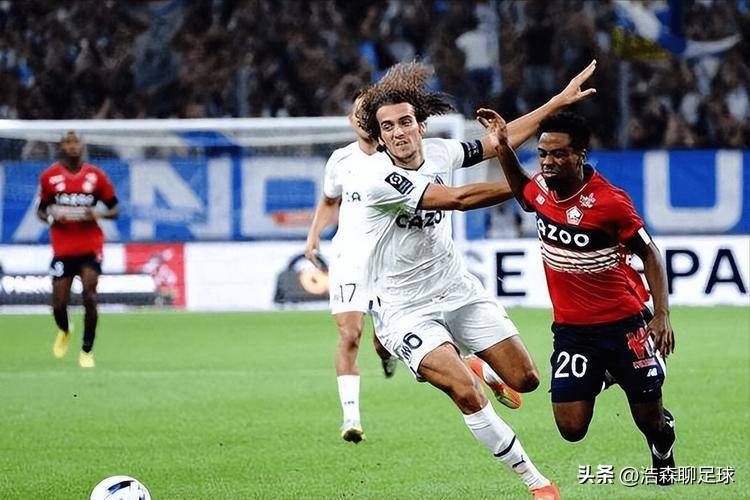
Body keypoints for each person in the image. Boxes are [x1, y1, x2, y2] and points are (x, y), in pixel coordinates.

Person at [306, 61, 597, 446]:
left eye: (404, 122)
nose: (397, 131)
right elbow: (457, 199)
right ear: (377, 133)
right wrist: (537, 186)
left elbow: (497, 143)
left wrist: (556, 102)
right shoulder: (368, 172)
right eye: (386, 126)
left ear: (420, 125)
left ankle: (467, 362)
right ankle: (366, 406)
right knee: (365, 339)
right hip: (383, 282)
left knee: (526, 379)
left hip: (446, 283)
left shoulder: (440, 152)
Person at [494, 111, 677, 485]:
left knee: (650, 421)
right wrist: (502, 149)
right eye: (543, 154)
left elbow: (650, 253)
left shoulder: (610, 202)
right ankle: (609, 372)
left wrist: (661, 314)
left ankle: (663, 443)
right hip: (573, 332)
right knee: (571, 428)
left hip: (624, 325)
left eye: (558, 154)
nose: (548, 162)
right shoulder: (542, 189)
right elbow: (526, 197)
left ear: (580, 155)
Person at [37, 131, 119, 368]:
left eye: (76, 142)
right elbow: (41, 211)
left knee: (90, 297)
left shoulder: (96, 176)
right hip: (63, 248)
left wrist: (98, 214)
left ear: (82, 145)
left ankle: (86, 350)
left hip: (90, 246)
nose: (73, 146)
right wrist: (52, 217)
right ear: (61, 146)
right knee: (58, 305)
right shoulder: (49, 177)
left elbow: (115, 209)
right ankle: (65, 330)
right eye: (68, 142)